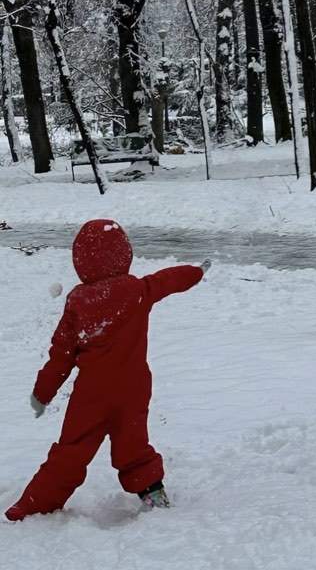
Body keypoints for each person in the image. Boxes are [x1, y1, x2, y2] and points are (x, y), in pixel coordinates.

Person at [5, 219, 211, 521]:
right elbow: (169, 279)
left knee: (72, 449)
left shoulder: (77, 302)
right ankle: (153, 492)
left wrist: (42, 393)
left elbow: (61, 356)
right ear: (124, 254)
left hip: (92, 395)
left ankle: (34, 505)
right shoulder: (138, 290)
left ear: (80, 261)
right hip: (133, 388)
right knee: (133, 442)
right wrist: (197, 272)